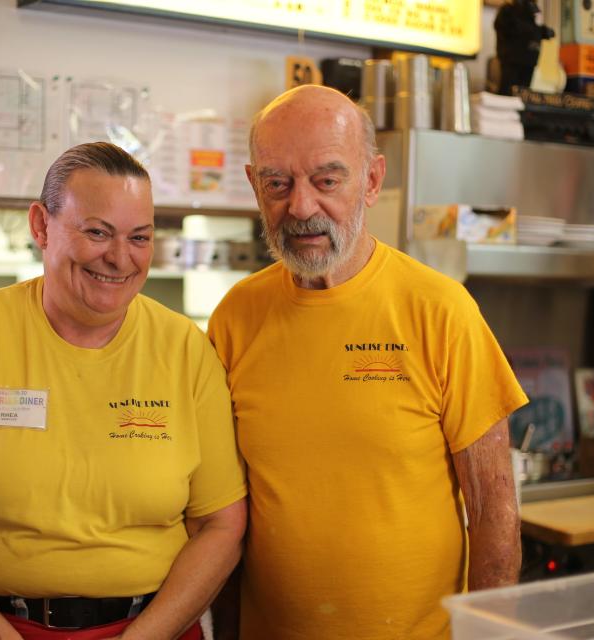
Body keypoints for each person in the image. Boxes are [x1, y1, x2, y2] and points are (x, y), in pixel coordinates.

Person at [0, 142, 248, 640]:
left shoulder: (185, 350)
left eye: (139, 237)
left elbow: (219, 527)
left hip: (147, 628)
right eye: (97, 232)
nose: (119, 258)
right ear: (40, 226)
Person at [207, 85, 528, 639]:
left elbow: (494, 511)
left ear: (373, 180)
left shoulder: (441, 311)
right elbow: (223, 515)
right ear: (253, 186)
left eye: (327, 180)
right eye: (277, 183)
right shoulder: (235, 318)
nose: (301, 207)